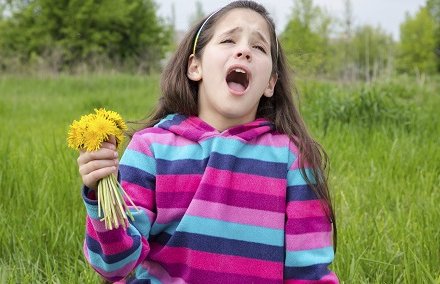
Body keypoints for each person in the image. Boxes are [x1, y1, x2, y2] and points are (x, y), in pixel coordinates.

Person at [77, 1, 339, 283]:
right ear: (195, 66)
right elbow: (114, 265)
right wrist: (103, 195)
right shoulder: (151, 149)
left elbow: (310, 273)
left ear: (270, 84)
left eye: (259, 47)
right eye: (228, 40)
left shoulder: (293, 158)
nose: (244, 51)